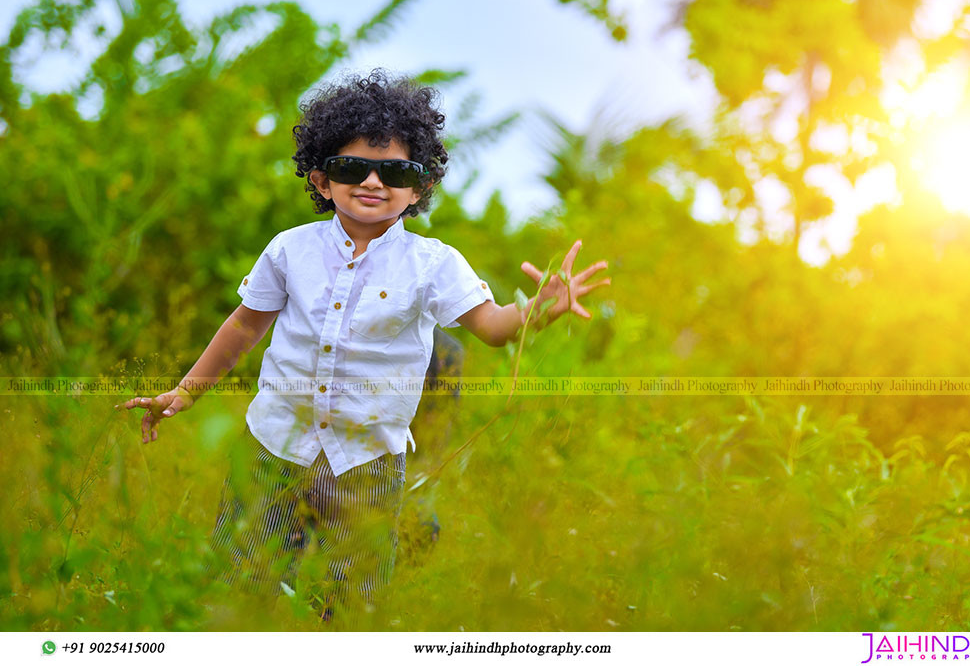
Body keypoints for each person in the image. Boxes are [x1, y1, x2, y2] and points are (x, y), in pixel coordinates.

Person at [116, 69, 610, 618]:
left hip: (368, 461)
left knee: (351, 605)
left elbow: (492, 327)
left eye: (394, 170)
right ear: (323, 180)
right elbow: (243, 327)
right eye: (353, 167)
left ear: (419, 188)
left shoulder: (433, 264)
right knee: (240, 586)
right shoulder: (289, 250)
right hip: (274, 448)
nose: (373, 182)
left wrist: (537, 310)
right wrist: (185, 392)